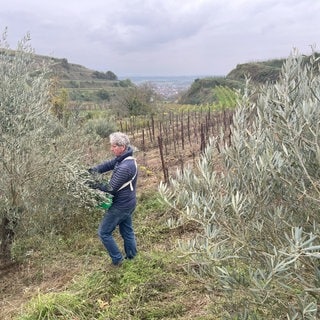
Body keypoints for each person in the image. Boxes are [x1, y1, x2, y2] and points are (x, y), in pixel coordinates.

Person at [89, 132, 138, 266]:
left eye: (114, 146)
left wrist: (92, 184)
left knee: (104, 232)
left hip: (120, 206)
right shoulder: (124, 158)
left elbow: (111, 188)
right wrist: (91, 171)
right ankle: (132, 258)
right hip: (129, 203)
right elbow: (107, 165)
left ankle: (117, 260)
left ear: (122, 147)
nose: (111, 149)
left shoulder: (125, 167)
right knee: (127, 231)